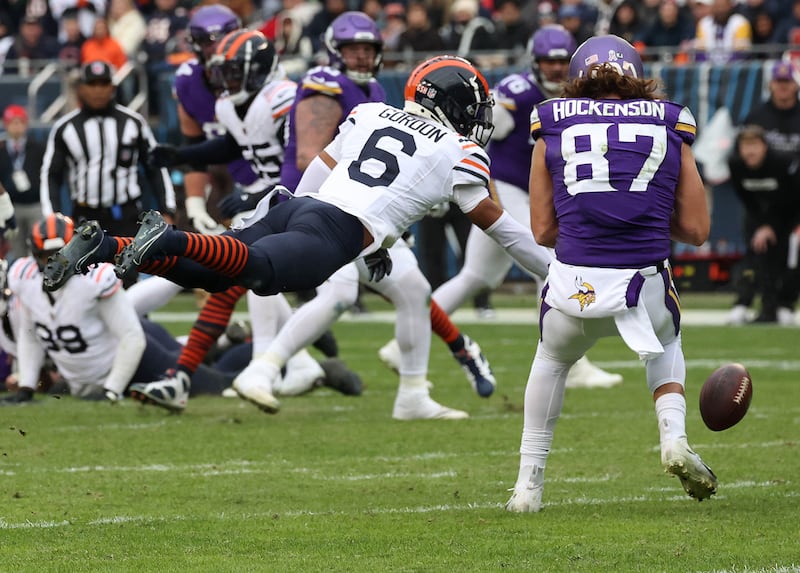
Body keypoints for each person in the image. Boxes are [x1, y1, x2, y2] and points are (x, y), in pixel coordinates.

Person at [42, 55, 548, 419]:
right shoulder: (460, 151)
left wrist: (293, 209)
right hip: (336, 228)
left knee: (218, 278)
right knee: (257, 270)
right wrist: (555, 270)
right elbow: (504, 230)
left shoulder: (371, 114)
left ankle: (109, 247)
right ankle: (165, 239)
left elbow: (321, 168)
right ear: (454, 103)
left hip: (306, 205)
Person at [505, 35, 717, 512]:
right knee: (666, 345)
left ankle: (528, 487)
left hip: (573, 287)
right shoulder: (670, 122)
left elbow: (541, 230)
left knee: (552, 361)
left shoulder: (551, 121)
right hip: (643, 285)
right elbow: (698, 229)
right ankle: (673, 436)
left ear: (579, 77)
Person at [429, 25, 624, 389]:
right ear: (535, 62)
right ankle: (570, 364)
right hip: (507, 187)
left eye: (561, 61)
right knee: (550, 266)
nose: (555, 68)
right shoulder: (517, 93)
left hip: (531, 190)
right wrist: (484, 188)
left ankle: (401, 344)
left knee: (476, 277)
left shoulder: (579, 92)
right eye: (548, 61)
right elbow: (479, 136)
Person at [0, 213, 233, 405]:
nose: (53, 264)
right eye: (45, 256)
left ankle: (248, 355)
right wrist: (26, 388)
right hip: (89, 373)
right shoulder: (24, 277)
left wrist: (111, 391)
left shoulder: (94, 278)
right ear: (34, 255)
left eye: (59, 255)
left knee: (219, 387)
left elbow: (132, 338)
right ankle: (225, 346)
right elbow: (30, 337)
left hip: (136, 360)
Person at [39, 60, 176, 237]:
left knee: (132, 263)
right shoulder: (65, 127)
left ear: (112, 87)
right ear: (81, 88)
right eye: (92, 84)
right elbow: (51, 175)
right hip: (85, 216)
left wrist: (168, 209)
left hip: (128, 215)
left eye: (104, 84)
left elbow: (156, 166)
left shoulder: (133, 122)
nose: (98, 90)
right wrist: (53, 218)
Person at [727, 125, 800, 325]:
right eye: (745, 145)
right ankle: (745, 303)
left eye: (754, 145)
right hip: (758, 218)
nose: (750, 151)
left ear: (764, 147)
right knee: (757, 258)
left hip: (791, 216)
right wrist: (762, 226)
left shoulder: (783, 164)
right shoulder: (736, 165)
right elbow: (746, 199)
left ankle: (784, 305)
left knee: (789, 258)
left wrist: (772, 226)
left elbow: (791, 200)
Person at [0, 105, 45, 261]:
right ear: (5, 125)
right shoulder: (1, 148)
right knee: (17, 250)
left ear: (26, 124)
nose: (16, 127)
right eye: (13, 122)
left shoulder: (38, 148)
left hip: (35, 204)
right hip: (12, 206)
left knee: (39, 245)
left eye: (20, 122)